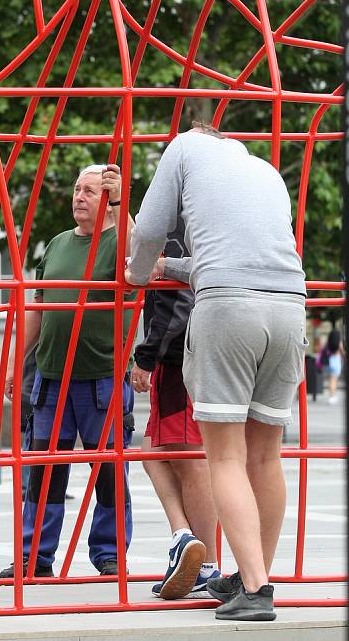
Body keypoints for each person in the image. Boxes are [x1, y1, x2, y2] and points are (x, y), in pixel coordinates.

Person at [125, 123, 307, 622]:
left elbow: (147, 229)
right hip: (290, 305)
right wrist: (174, 268)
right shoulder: (265, 171)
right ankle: (254, 574)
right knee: (265, 458)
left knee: (224, 456)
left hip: (228, 307)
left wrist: (140, 273)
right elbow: (230, 254)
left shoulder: (184, 149)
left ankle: (255, 588)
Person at [1, 164, 135, 578]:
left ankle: (109, 554)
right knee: (43, 472)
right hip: (51, 376)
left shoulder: (118, 239)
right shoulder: (57, 243)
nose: (79, 196)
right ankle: (33, 558)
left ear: (108, 202)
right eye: (78, 189)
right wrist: (13, 364)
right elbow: (37, 308)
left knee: (110, 473)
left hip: (102, 376)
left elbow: (139, 251)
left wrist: (121, 200)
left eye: (90, 191)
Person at [132, 218, 220, 600]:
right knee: (152, 452)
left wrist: (146, 357)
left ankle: (208, 563)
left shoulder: (183, 230)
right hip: (183, 356)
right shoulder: (185, 225)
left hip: (181, 358)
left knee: (191, 459)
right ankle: (184, 536)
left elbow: (176, 301)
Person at [320, 328, 345, 404]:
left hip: (329, 360)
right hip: (336, 360)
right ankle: (332, 396)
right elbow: (342, 350)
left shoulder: (329, 341)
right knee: (334, 380)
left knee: (331, 379)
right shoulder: (339, 341)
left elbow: (323, 348)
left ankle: (332, 396)